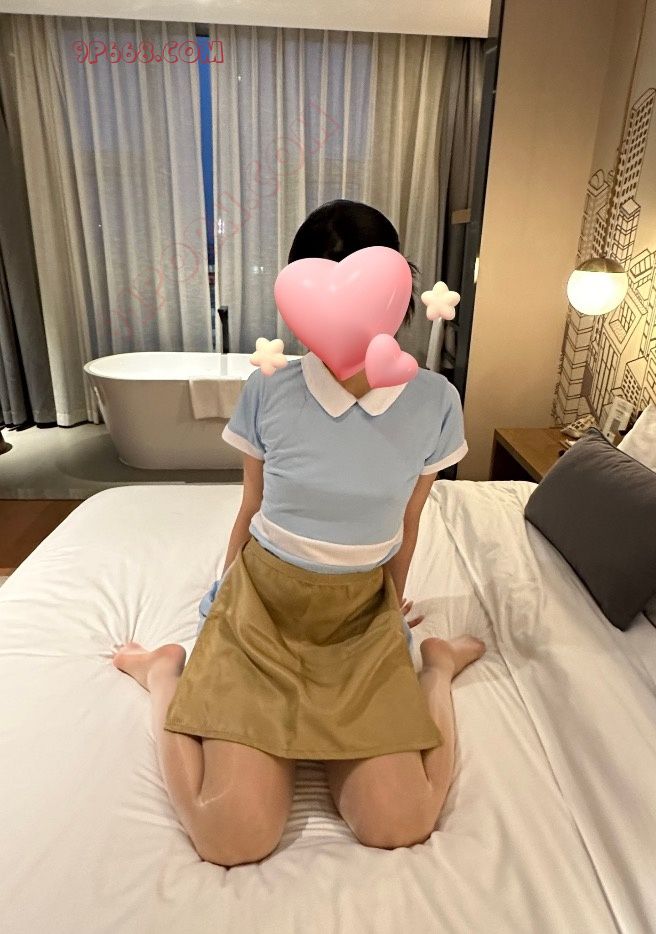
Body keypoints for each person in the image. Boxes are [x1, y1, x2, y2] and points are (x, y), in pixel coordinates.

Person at [112, 199, 485, 868]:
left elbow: (407, 520)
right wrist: (224, 597)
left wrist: (387, 610)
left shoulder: (434, 401)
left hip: (358, 620)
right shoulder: (272, 389)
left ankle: (438, 668)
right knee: (230, 836)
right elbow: (252, 506)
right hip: (264, 609)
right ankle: (165, 672)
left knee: (400, 821)